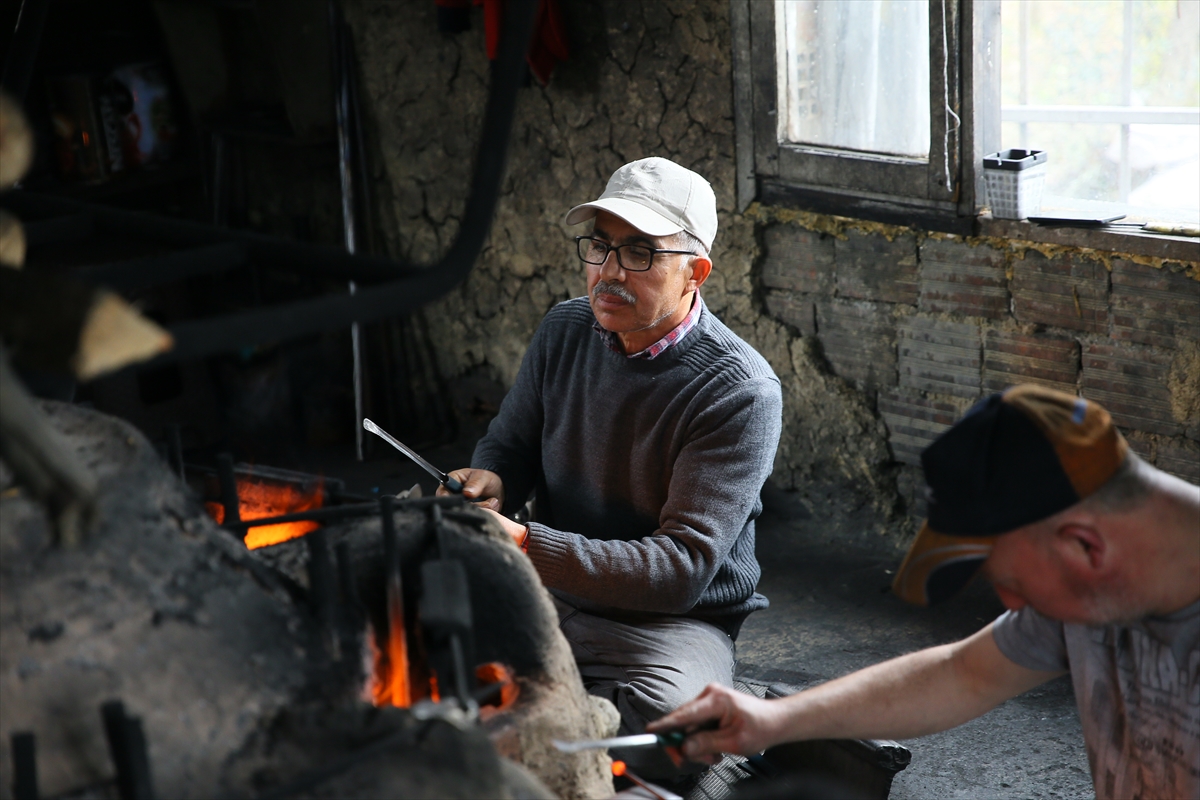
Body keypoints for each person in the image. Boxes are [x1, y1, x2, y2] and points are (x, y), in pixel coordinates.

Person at [650, 385, 1200, 800]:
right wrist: (773, 720)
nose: (1012, 607)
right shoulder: (1092, 586)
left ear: (1084, 546)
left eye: (1010, 583)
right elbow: (965, 672)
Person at [439, 157, 783, 771]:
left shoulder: (740, 390)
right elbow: (509, 445)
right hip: (550, 589)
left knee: (674, 728)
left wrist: (520, 542)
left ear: (694, 273)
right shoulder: (564, 329)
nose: (609, 273)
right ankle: (562, 724)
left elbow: (679, 570)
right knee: (404, 636)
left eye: (641, 253)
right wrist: (491, 478)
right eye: (600, 246)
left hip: (669, 626)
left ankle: (555, 722)